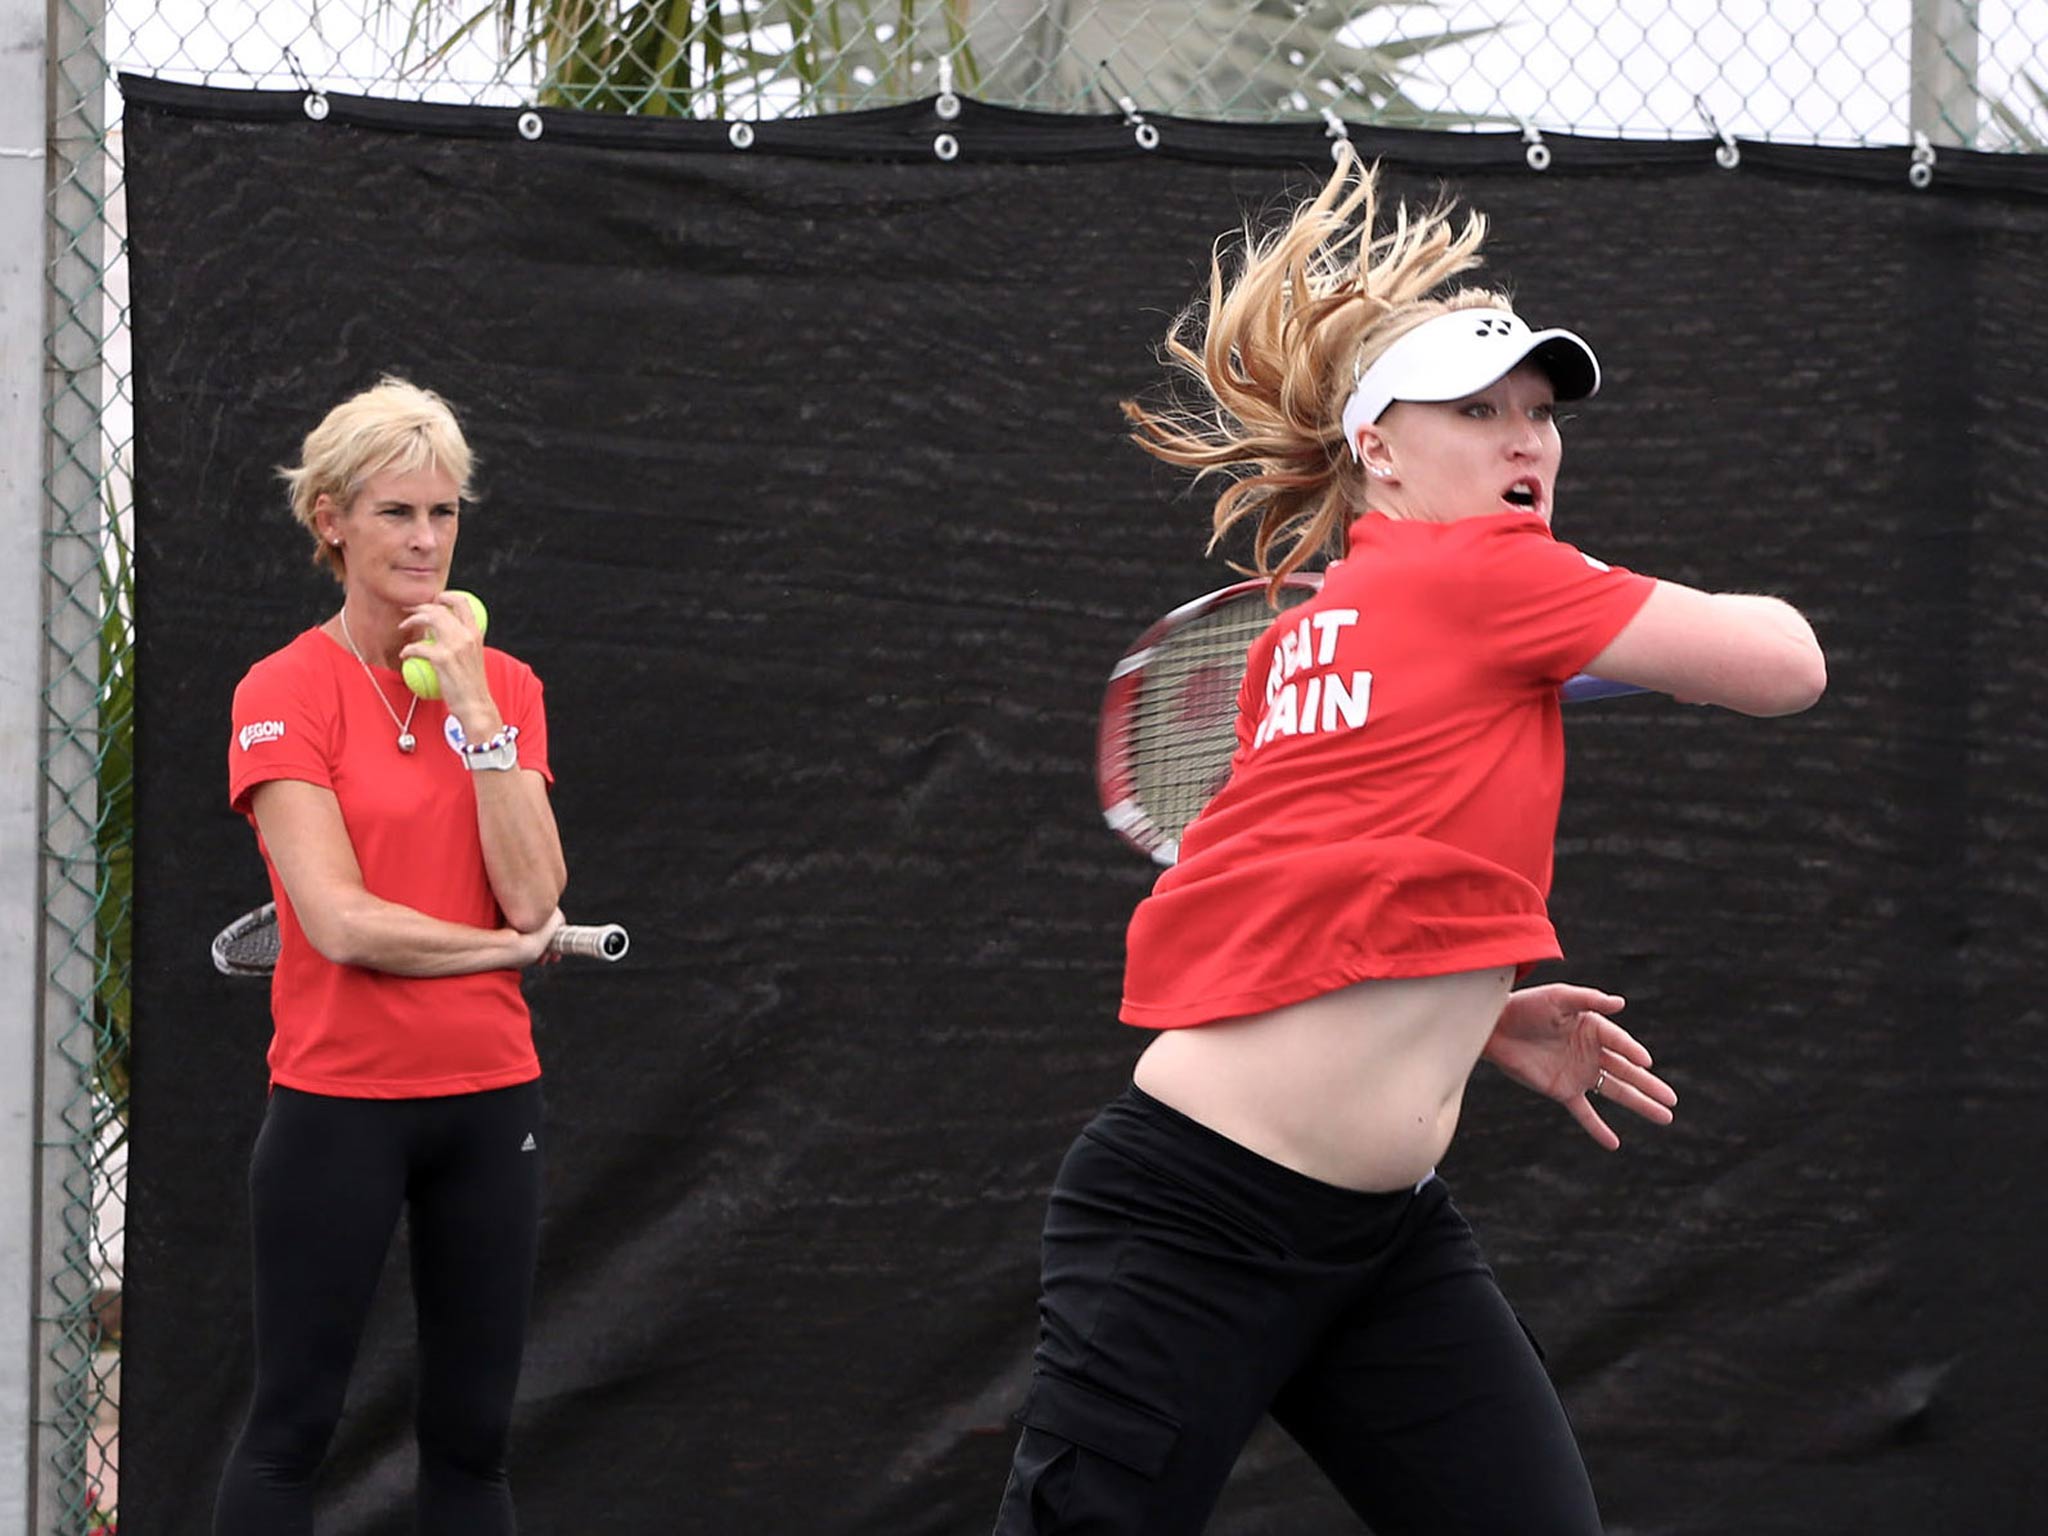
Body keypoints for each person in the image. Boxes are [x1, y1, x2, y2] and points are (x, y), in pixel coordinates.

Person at [991, 149, 1825, 1536]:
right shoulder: (1495, 579)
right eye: (1478, 409)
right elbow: (1788, 663)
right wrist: (1594, 642)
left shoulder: (1312, 633)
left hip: (1382, 1240)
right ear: (1376, 445)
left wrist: (1476, 1006)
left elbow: (1326, 874)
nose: (1527, 440)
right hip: (1192, 1219)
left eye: (1541, 412)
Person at [217, 377, 568, 1535]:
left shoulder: (503, 686)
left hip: (487, 1103)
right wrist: (507, 950)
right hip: (339, 1104)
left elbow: (536, 889)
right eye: (394, 513)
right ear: (331, 520)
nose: (425, 540)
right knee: (292, 1429)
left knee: (472, 1442)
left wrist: (475, 711)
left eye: (444, 513)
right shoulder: (284, 689)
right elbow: (341, 923)